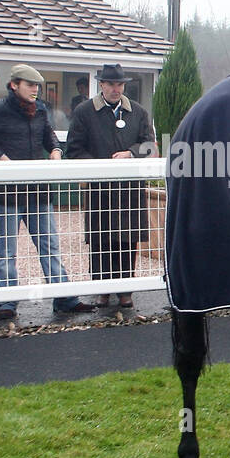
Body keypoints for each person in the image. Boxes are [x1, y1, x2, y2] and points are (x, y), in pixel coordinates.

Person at [0, 64, 96, 320]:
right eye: (30, 85)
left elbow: (49, 137)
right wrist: (1, 158)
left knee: (49, 245)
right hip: (7, 193)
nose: (35, 90)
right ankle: (6, 302)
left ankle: (65, 298)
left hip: (38, 191)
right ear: (14, 85)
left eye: (37, 85)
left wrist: (57, 151)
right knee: (5, 249)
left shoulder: (40, 110)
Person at [65, 64, 156, 309]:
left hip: (129, 188)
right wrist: (100, 166)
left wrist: (130, 153)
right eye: (111, 84)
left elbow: (149, 145)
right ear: (101, 85)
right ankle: (102, 289)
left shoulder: (137, 112)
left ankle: (125, 290)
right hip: (100, 187)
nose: (116, 89)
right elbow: (73, 150)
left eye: (120, 84)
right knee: (101, 238)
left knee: (128, 238)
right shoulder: (84, 112)